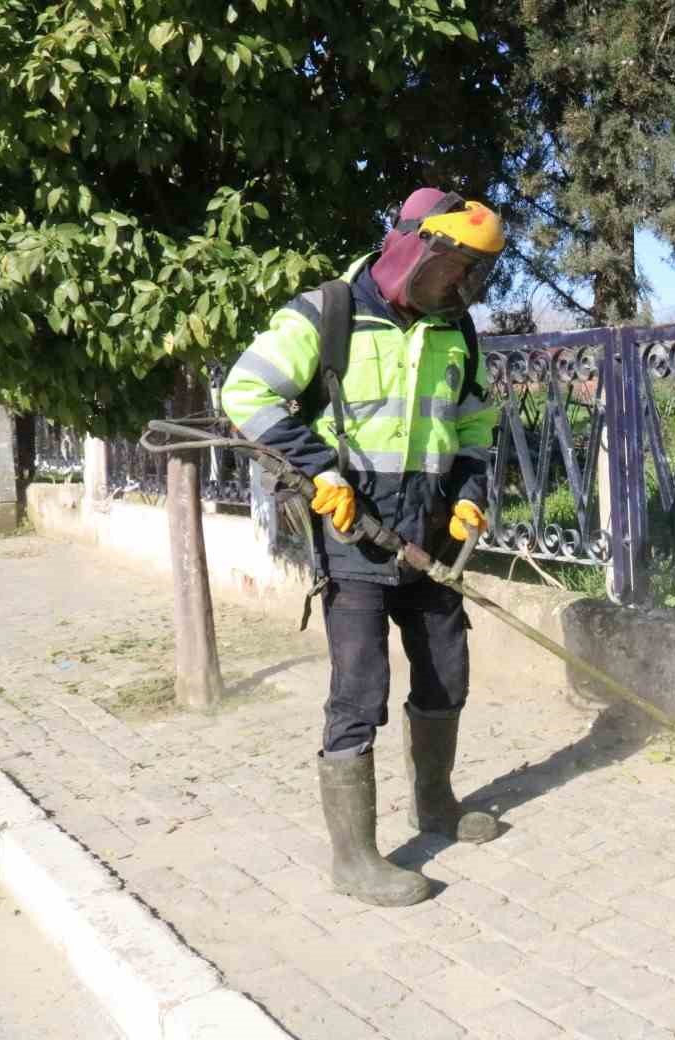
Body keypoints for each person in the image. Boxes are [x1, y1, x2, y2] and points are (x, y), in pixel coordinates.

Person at [221, 188, 504, 907]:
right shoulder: (328, 313)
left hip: (432, 532)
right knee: (359, 692)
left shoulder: (456, 331)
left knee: (447, 672)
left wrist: (470, 492)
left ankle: (436, 804)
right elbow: (246, 392)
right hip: (353, 534)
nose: (459, 287)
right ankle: (354, 858)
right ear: (411, 247)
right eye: (453, 270)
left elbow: (473, 424)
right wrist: (319, 473)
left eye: (473, 275)